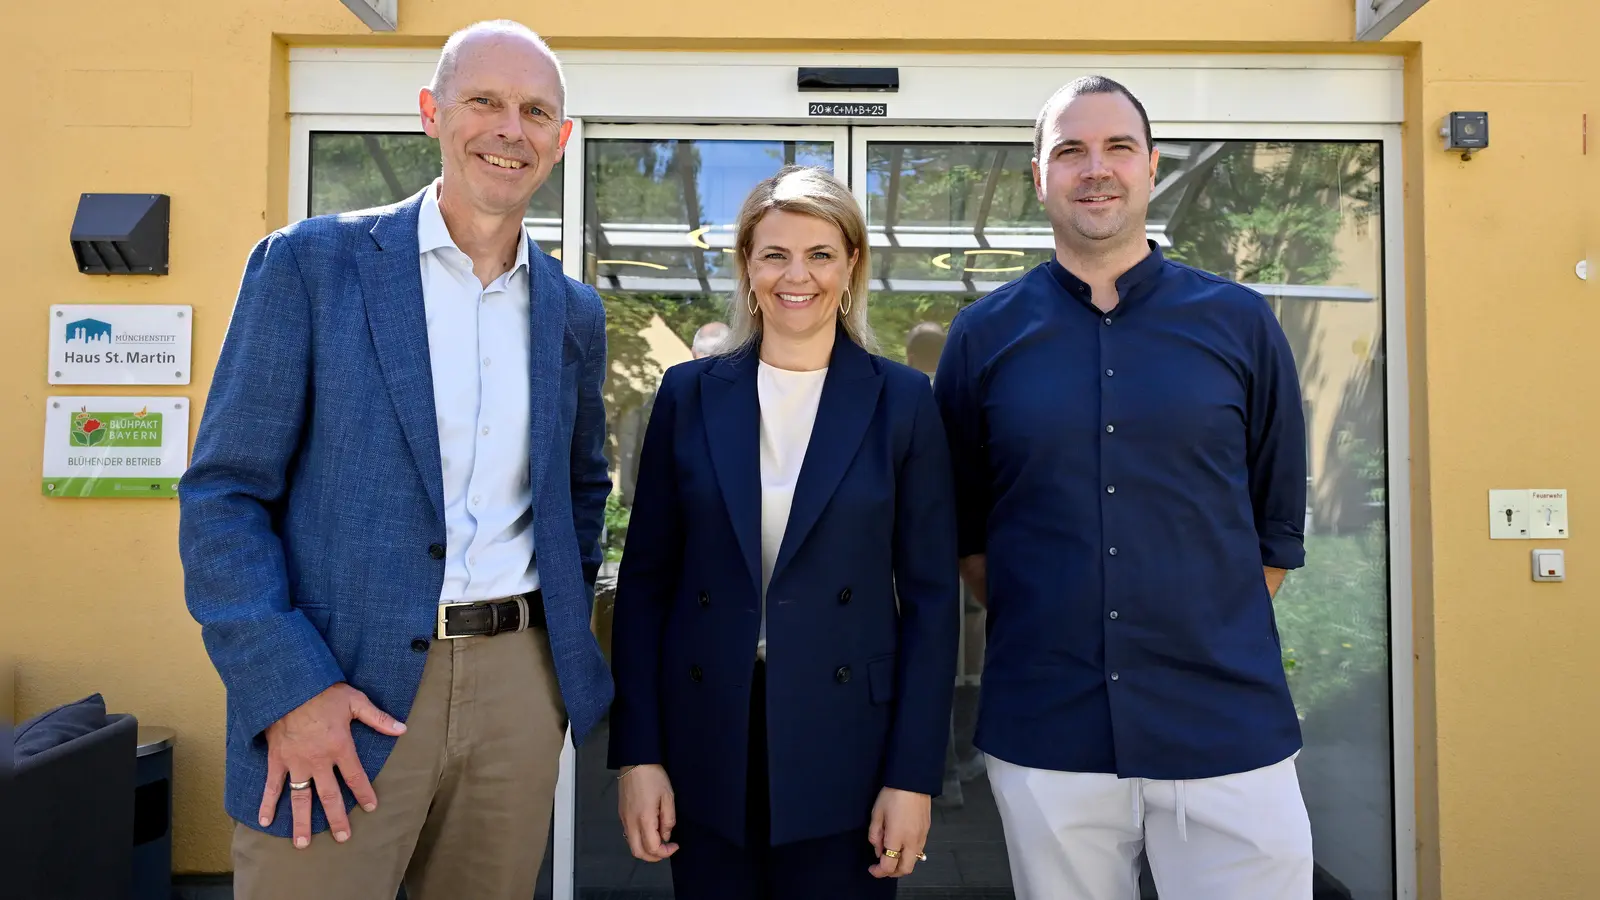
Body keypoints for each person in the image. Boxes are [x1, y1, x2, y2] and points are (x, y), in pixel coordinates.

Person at [177, 20, 613, 900]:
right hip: (340, 682)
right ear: (431, 114)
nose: (509, 128)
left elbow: (580, 487)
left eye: (535, 111)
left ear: (561, 140)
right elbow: (224, 495)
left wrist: (551, 679)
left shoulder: (572, 311)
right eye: (484, 100)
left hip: (517, 691)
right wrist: (288, 688)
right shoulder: (310, 265)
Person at [933, 75, 1314, 899]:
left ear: (1150, 168)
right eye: (1070, 150)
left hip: (1225, 727)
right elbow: (966, 530)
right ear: (1040, 176)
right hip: (1049, 726)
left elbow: (1275, 530)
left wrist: (1195, 623)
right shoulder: (982, 336)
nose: (1094, 168)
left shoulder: (1241, 323)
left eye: (1116, 148)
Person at [607, 166, 960, 899]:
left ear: (852, 263)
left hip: (848, 745)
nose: (796, 275)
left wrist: (913, 777)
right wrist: (639, 756)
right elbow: (645, 587)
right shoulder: (690, 395)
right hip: (708, 732)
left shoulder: (902, 402)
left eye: (820, 254)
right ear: (746, 265)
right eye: (774, 254)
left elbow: (931, 605)